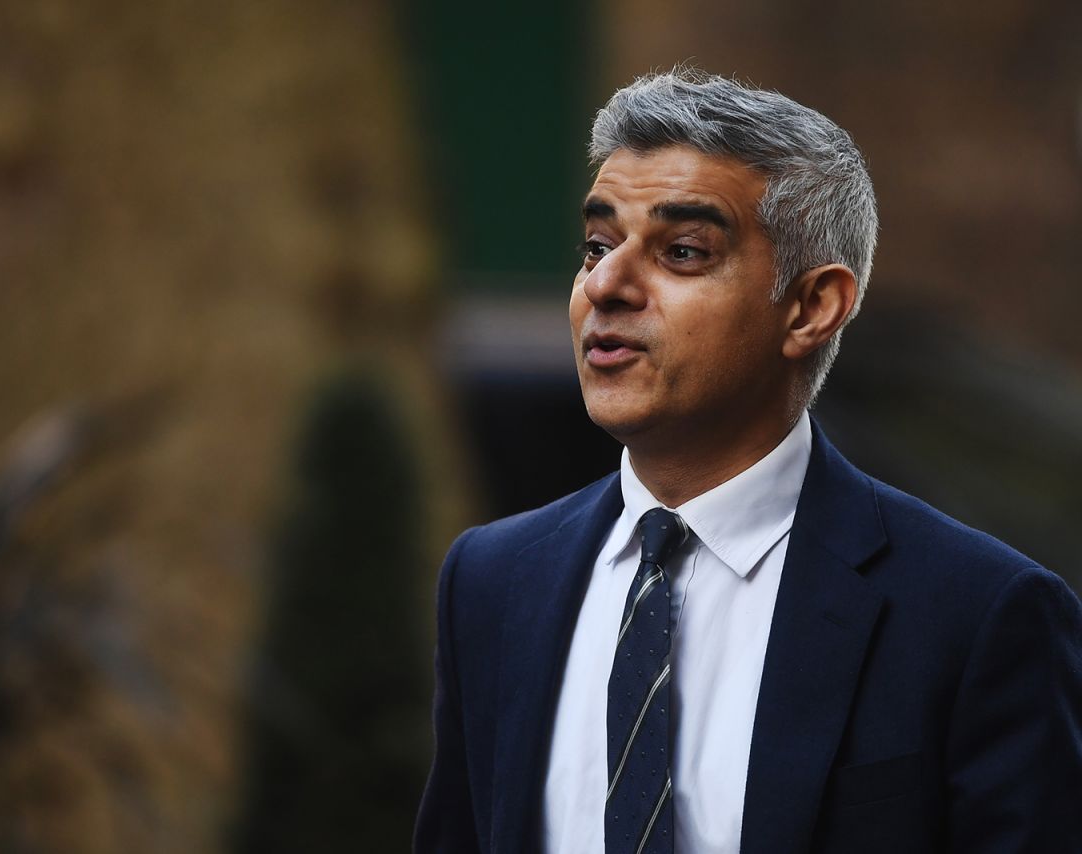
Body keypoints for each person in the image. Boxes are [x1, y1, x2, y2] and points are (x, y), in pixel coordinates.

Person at [414, 69, 1082, 854]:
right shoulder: (492, 581)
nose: (606, 283)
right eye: (595, 245)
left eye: (683, 251)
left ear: (811, 307)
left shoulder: (980, 613)